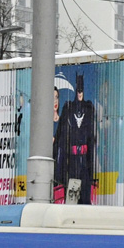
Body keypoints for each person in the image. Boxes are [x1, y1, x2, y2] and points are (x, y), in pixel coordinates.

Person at [54, 73, 98, 204]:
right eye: (78, 89)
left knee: (85, 196)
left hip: (84, 159)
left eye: (81, 90)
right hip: (71, 160)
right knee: (72, 196)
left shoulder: (89, 108)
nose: (80, 93)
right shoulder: (68, 108)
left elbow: (92, 137)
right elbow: (61, 136)